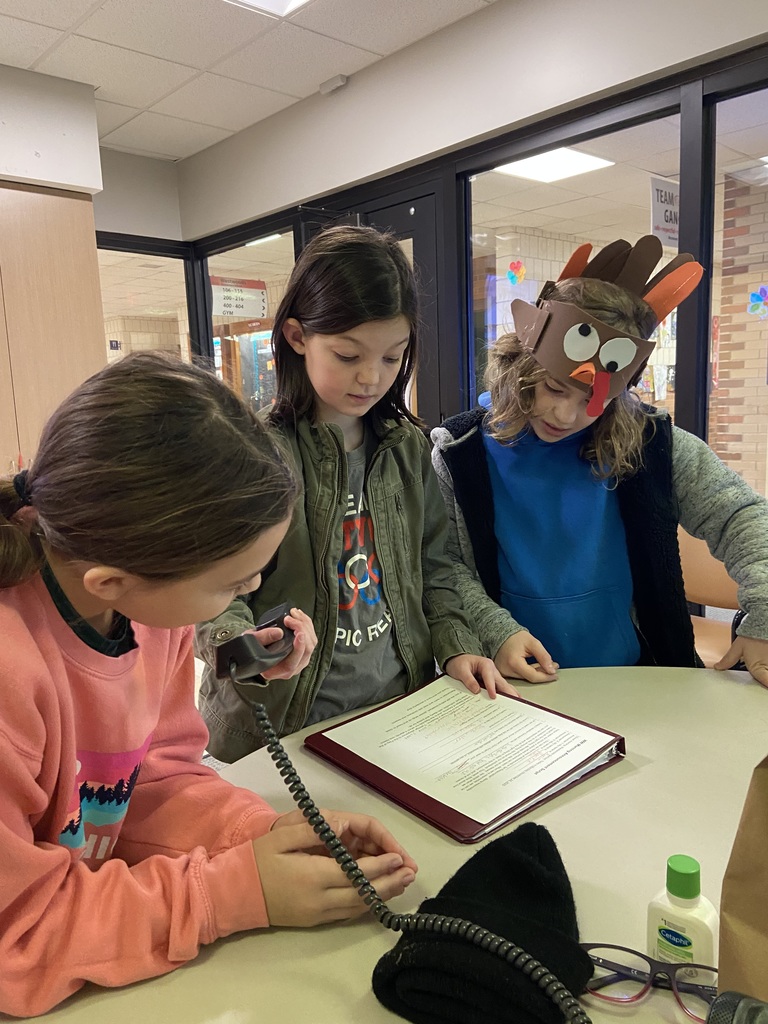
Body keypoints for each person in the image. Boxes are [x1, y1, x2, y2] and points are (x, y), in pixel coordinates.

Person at [0, 352, 418, 1018]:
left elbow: (155, 781)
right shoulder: (13, 672)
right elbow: (16, 936)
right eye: (231, 583)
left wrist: (260, 839)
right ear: (110, 581)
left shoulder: (140, 605)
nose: (250, 594)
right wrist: (232, 894)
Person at [197, 224, 513, 762]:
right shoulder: (254, 455)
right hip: (279, 727)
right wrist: (245, 651)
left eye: (393, 358)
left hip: (395, 714)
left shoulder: (408, 448)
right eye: (348, 355)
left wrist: (457, 645)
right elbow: (210, 599)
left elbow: (435, 570)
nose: (372, 377)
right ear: (298, 338)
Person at [430, 235, 768, 687]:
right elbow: (442, 564)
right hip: (516, 687)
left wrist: (763, 615)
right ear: (521, 365)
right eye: (553, 388)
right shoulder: (459, 451)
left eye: (593, 400)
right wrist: (495, 630)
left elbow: (742, 517)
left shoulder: (654, 444)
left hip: (639, 680)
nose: (566, 416)